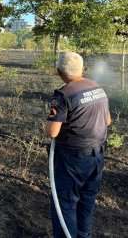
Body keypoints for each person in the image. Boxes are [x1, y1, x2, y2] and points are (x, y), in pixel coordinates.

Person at [45, 52, 111, 238]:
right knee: (87, 199)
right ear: (82, 69)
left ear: (58, 72)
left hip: (72, 160)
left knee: (64, 203)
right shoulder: (98, 88)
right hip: (97, 156)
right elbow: (107, 121)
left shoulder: (63, 94)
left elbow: (52, 132)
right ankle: (84, 234)